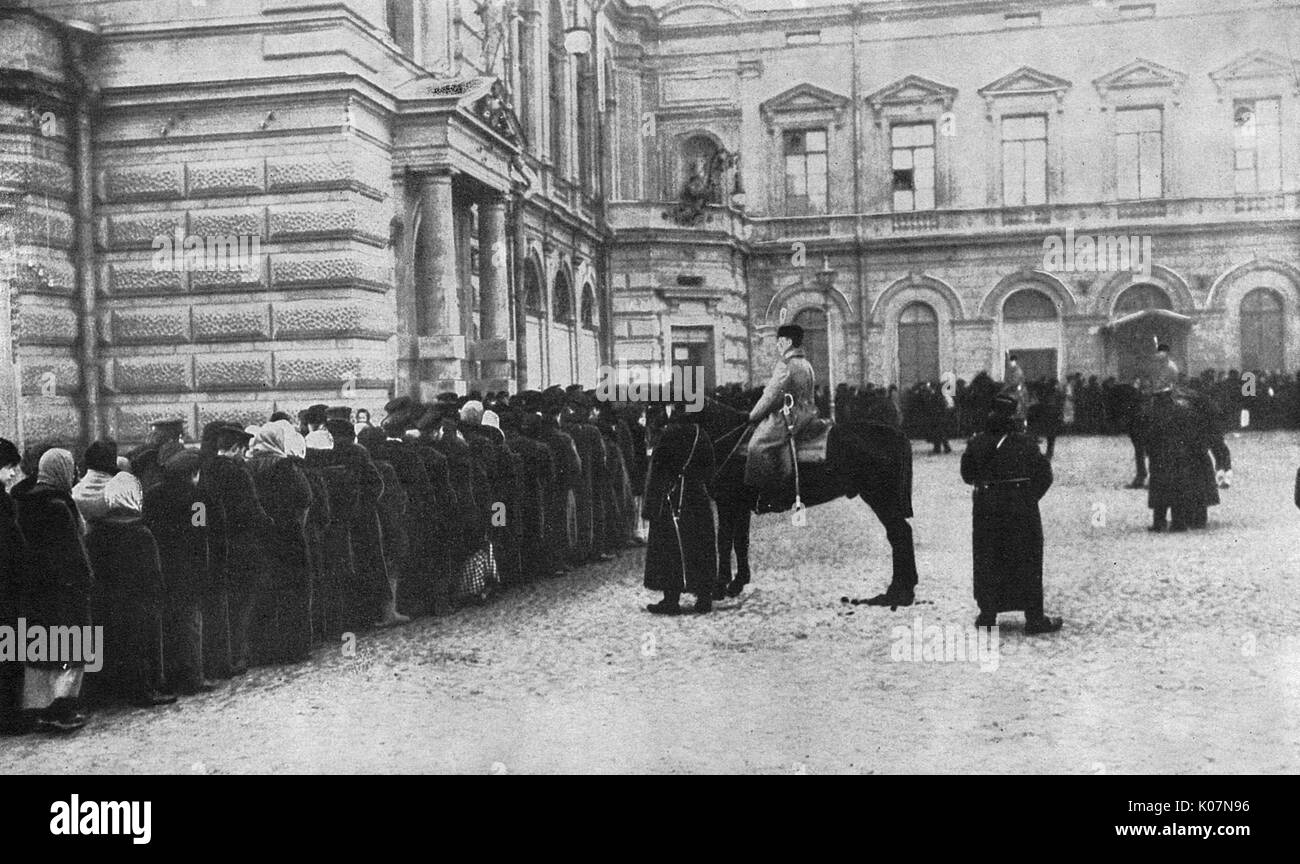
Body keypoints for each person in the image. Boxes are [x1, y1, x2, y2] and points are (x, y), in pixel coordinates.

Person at [960, 390, 1062, 634]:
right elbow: (1045, 476)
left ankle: (988, 614)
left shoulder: (977, 442)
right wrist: (1027, 498)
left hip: (987, 508)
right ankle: (1034, 617)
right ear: (1014, 416)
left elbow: (966, 475)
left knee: (988, 557)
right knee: (1027, 558)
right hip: (1021, 509)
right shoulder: (1026, 442)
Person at [11, 449, 94, 731]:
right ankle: (63, 710)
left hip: (37, 591)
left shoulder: (23, 500)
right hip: (65, 592)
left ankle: (37, 709)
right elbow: (74, 553)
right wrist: (86, 581)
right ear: (61, 471)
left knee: (40, 652)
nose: (74, 475)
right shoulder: (59, 505)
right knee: (71, 650)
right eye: (70, 469)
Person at [83, 472, 174, 707]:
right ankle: (144, 691)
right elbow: (153, 573)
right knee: (140, 647)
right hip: (138, 603)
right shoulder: (141, 533)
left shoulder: (96, 532)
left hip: (106, 601)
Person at [143, 450, 214, 695]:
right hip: (187, 569)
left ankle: (167, 677)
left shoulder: (152, 494)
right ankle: (193, 678)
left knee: (167, 623)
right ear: (193, 473)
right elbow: (200, 534)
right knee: (190, 623)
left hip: (161, 566)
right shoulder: (197, 498)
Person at [245, 423, 315, 663]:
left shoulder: (247, 467)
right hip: (288, 537)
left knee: (262, 594)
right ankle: (294, 649)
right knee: (293, 593)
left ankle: (260, 650)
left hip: (259, 538)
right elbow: (305, 497)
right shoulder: (286, 467)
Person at [643, 404, 718, 615]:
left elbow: (657, 468)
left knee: (670, 547)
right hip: (696, 497)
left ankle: (671, 598)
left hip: (671, 497)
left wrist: (652, 502)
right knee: (700, 545)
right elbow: (710, 468)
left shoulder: (668, 434)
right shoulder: (700, 435)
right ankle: (704, 597)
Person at [744, 323, 816, 505]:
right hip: (807, 412)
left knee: (757, 445)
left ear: (788, 341)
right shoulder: (806, 363)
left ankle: (769, 495)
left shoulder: (786, 364)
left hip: (790, 415)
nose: (777, 345)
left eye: (779, 341)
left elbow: (771, 396)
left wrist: (752, 416)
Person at [0, 439, 28, 734]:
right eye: (9, 467)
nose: (13, 474)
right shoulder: (4, 504)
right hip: (7, 592)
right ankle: (10, 716)